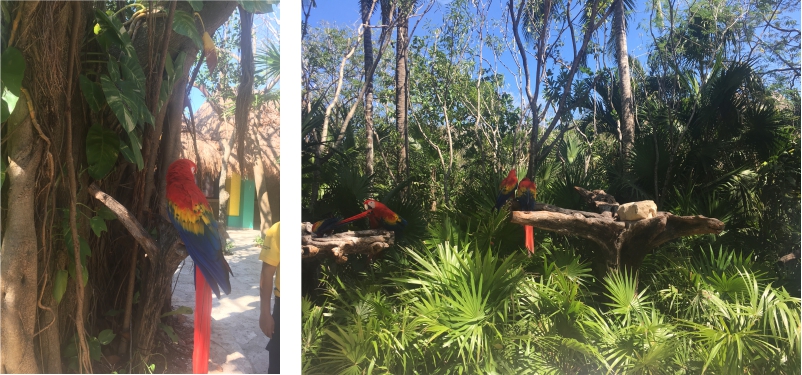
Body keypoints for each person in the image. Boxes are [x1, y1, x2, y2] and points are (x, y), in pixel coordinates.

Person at [259, 221, 280, 373]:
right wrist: (265, 313)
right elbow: (267, 273)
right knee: (277, 363)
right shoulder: (278, 229)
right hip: (283, 303)